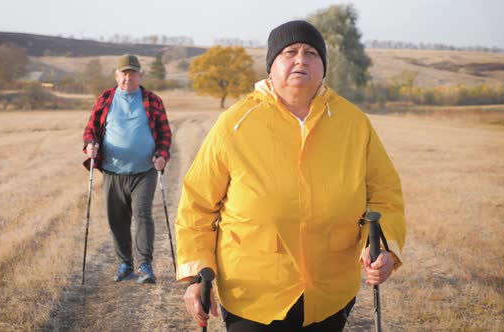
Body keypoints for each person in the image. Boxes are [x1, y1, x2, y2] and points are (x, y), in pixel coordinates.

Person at [175, 20, 405, 331]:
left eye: (311, 52)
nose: (301, 59)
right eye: (290, 52)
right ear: (271, 67)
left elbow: (385, 192)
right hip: (252, 296)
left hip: (329, 294)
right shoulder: (234, 125)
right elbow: (197, 206)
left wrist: (384, 247)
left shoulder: (353, 123)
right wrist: (194, 278)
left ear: (323, 67)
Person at [82, 54, 172, 284]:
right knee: (117, 219)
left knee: (143, 216)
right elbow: (90, 130)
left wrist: (161, 155)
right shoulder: (105, 99)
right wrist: (90, 146)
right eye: (124, 73)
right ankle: (126, 265)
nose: (128, 78)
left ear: (140, 75)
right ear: (116, 75)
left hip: (145, 171)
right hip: (113, 171)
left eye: (132, 73)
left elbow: (164, 136)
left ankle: (145, 266)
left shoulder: (152, 100)